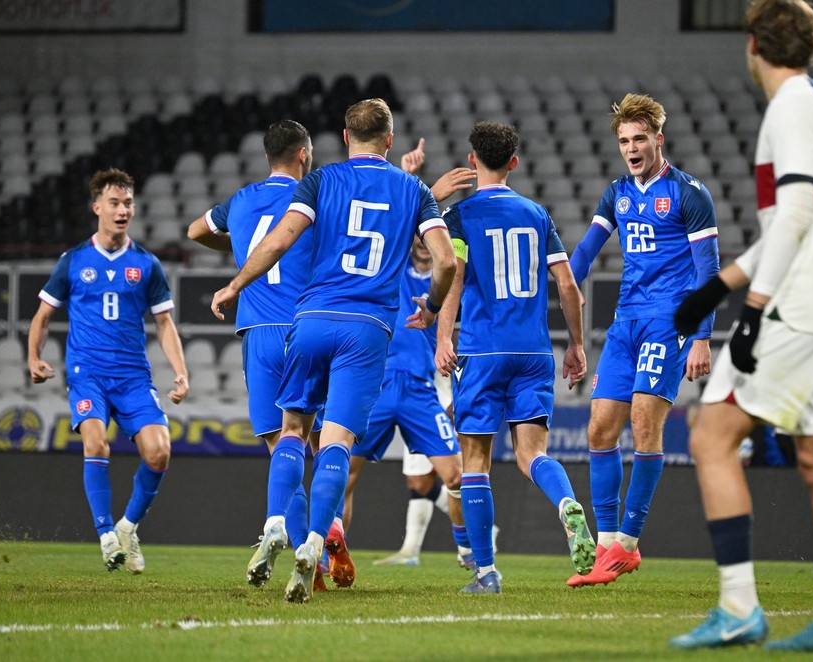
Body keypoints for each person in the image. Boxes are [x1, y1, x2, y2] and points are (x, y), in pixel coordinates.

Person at [671, 0, 813, 652]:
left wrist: (751, 309)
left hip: (798, 306)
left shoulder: (786, 109)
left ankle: (738, 608)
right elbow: (800, 220)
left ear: (752, 44)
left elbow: (798, 209)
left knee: (711, 436)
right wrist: (716, 286)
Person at [210, 98, 456, 604]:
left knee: (293, 432)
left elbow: (279, 241)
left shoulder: (320, 181)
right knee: (337, 443)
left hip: (312, 320)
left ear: (345, 138)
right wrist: (430, 307)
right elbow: (447, 262)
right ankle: (316, 543)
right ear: (389, 140)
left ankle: (277, 523)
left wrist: (236, 285)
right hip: (366, 331)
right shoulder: (413, 191)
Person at [565, 93, 720, 588]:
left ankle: (627, 544)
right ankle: (608, 543)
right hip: (625, 323)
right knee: (599, 429)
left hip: (669, 324)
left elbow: (709, 272)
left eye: (639, 139)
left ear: (659, 139)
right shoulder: (617, 193)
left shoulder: (688, 194)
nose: (631, 148)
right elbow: (587, 251)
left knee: (642, 424)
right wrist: (560, 284)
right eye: (624, 141)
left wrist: (701, 338)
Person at [435, 120, 593, 594]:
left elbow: (454, 281)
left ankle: (486, 573)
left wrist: (444, 338)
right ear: (514, 163)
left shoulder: (460, 217)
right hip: (533, 350)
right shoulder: (538, 214)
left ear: (472, 162)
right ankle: (566, 502)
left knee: (475, 461)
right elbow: (569, 287)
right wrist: (578, 345)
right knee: (532, 454)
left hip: (483, 350)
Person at [186, 119, 327, 591]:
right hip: (304, 326)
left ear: (268, 156)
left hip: (257, 329)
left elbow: (193, 231)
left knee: (282, 446)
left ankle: (278, 529)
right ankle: (310, 548)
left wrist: (241, 245)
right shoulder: (315, 194)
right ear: (304, 154)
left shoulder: (242, 200)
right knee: (304, 439)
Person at [27, 168, 189, 574]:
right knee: (95, 443)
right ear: (97, 207)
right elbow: (43, 316)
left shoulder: (146, 264)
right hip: (88, 374)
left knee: (160, 451)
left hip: (134, 376)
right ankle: (105, 536)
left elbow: (165, 323)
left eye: (128, 203)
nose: (122, 210)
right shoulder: (74, 261)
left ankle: (127, 528)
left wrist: (181, 372)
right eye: (114, 203)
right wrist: (33, 357)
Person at [344, 141, 479, 568]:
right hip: (379, 384)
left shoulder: (451, 278)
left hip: (422, 389)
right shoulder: (394, 267)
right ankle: (330, 554)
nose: (422, 242)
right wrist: (415, 181)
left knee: (455, 476)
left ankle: (466, 550)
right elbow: (392, 223)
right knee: (344, 474)